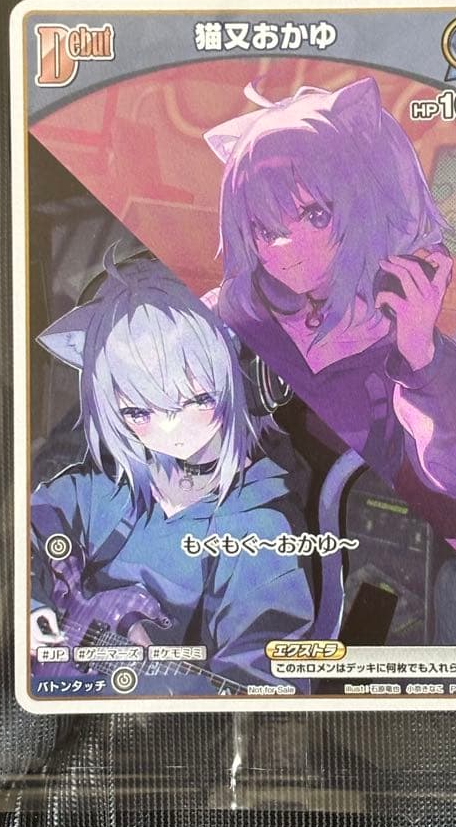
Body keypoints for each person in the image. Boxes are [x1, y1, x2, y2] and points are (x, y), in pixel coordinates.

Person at [205, 76, 456, 516]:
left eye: (315, 215)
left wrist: (422, 359)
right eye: (266, 229)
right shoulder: (234, 316)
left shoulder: (402, 338)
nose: (285, 248)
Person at [29, 245, 315, 696]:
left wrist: (155, 695)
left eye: (195, 400)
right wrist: (34, 608)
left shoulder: (260, 532)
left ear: (248, 379)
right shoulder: (109, 487)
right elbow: (26, 531)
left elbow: (263, 688)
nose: (168, 430)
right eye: (138, 412)